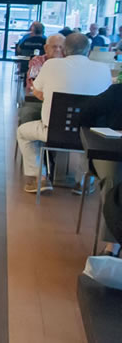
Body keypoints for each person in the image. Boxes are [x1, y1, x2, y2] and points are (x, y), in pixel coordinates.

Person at [16, 33, 112, 194]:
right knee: (86, 130)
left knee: (23, 132)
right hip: (88, 135)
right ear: (89, 51)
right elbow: (105, 100)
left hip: (53, 130)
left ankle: (40, 177)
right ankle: (83, 182)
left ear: (65, 50)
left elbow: (37, 92)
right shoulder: (103, 69)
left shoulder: (51, 65)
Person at [79, 83, 122, 255]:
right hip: (110, 153)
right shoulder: (117, 91)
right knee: (114, 179)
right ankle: (112, 246)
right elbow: (85, 113)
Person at [18, 34, 65, 125]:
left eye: (61, 47)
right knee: (27, 114)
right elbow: (33, 85)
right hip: (38, 101)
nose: (58, 50)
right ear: (46, 48)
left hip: (61, 104)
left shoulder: (68, 63)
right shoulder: (37, 61)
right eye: (54, 47)